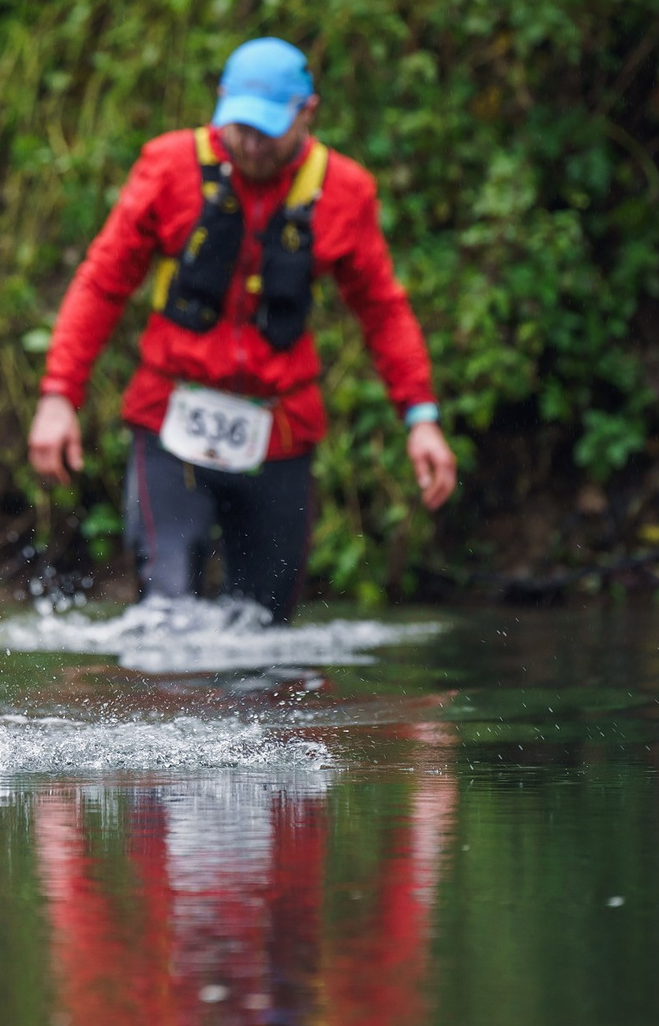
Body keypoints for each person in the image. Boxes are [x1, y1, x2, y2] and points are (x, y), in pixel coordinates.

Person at [27, 37, 456, 622]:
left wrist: (421, 417)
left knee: (263, 630)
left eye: (268, 131)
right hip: (171, 424)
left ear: (308, 114)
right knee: (167, 616)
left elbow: (383, 311)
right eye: (240, 128)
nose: (251, 145)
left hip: (280, 432)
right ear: (221, 103)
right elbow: (102, 284)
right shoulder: (168, 166)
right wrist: (59, 395)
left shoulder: (346, 191)